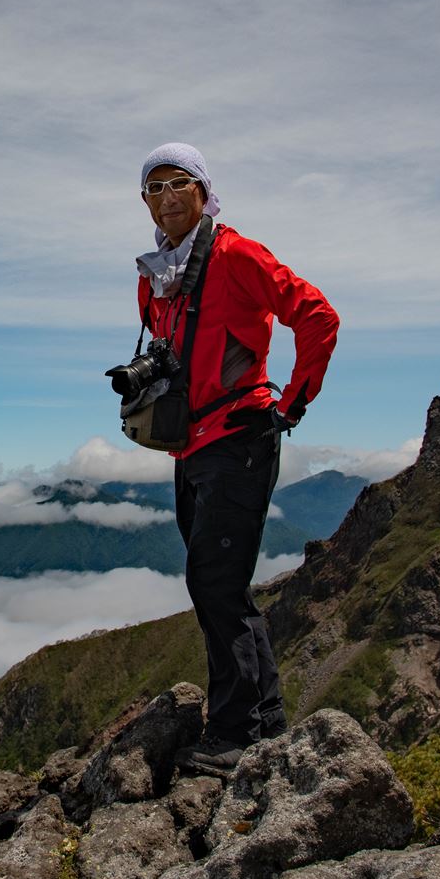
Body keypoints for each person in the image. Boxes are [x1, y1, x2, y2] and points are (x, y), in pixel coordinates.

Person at [130, 142, 339, 778]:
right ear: (145, 202)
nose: (167, 198)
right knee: (220, 586)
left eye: (179, 184)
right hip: (190, 444)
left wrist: (294, 402)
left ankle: (234, 735)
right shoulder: (154, 277)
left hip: (239, 436)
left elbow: (317, 315)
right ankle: (265, 722)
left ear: (203, 191)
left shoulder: (236, 254)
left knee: (215, 584)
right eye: (155, 188)